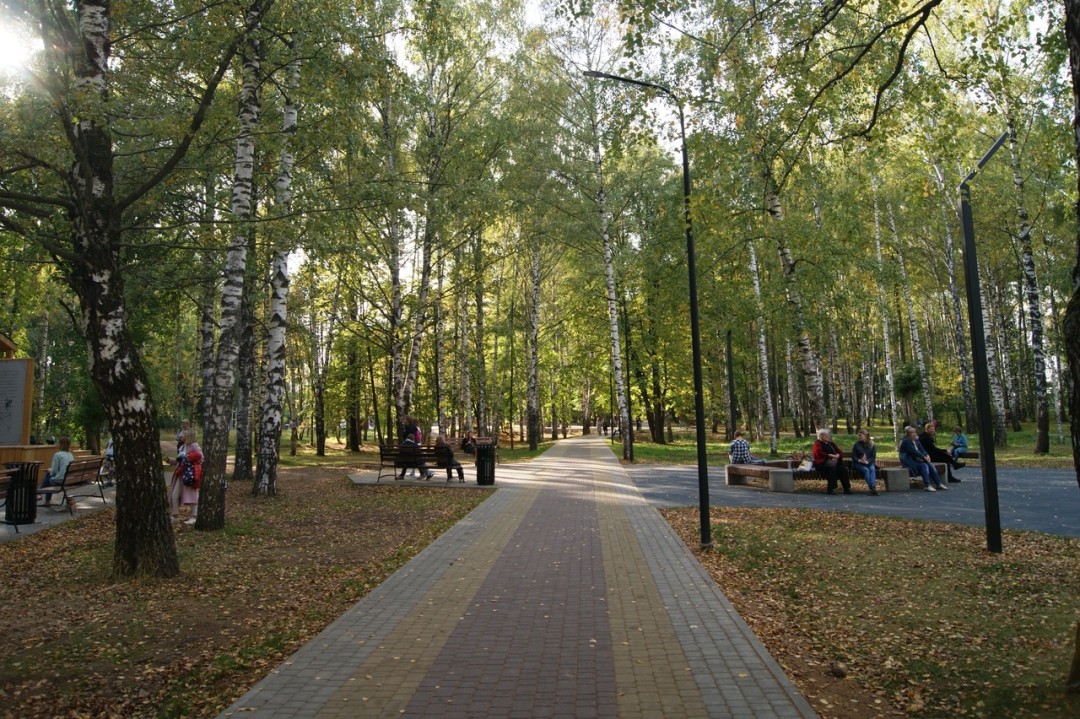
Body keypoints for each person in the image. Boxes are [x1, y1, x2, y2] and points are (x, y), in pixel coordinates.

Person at [167, 429, 202, 524]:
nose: (181, 437)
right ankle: (175, 516)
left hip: (190, 474)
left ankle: (194, 517)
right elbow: (178, 461)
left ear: (189, 436)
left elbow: (201, 458)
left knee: (193, 495)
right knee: (174, 495)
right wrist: (170, 460)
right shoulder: (182, 447)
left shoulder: (195, 446)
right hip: (180, 474)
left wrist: (188, 457)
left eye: (183, 435)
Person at [899, 425, 946, 491]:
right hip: (908, 461)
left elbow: (922, 449)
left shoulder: (916, 441)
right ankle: (927, 485)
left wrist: (927, 455)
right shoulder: (906, 442)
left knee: (930, 464)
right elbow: (914, 452)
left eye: (915, 432)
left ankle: (938, 484)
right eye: (912, 433)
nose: (914, 434)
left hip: (917, 459)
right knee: (924, 465)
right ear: (908, 434)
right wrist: (924, 457)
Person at [812, 428, 851, 495]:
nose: (827, 436)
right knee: (832, 469)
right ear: (820, 436)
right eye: (825, 435)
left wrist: (837, 455)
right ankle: (830, 489)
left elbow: (839, 451)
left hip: (834, 462)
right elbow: (818, 453)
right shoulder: (817, 444)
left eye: (827, 435)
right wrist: (829, 455)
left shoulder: (831, 444)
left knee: (843, 469)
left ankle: (846, 488)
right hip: (823, 464)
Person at [38, 435, 75, 507]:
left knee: (49, 475)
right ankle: (41, 494)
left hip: (60, 481)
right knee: (49, 475)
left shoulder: (57, 455)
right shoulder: (70, 455)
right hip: (70, 480)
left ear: (59, 444)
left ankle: (40, 493)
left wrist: (50, 470)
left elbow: (54, 471)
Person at [398, 415, 433, 480]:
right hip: (412, 451)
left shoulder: (409, 428)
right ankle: (425, 473)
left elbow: (404, 436)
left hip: (408, 451)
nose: (403, 420)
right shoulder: (414, 427)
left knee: (409, 459)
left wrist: (403, 432)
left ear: (407, 420)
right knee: (418, 459)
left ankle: (402, 475)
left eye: (404, 419)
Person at [850, 430, 879, 495]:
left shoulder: (872, 444)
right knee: (866, 470)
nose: (859, 437)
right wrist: (859, 460)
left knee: (872, 469)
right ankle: (872, 488)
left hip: (868, 463)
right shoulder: (856, 444)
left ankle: (872, 488)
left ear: (865, 436)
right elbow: (853, 456)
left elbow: (873, 456)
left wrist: (867, 461)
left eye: (860, 435)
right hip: (858, 463)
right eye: (859, 435)